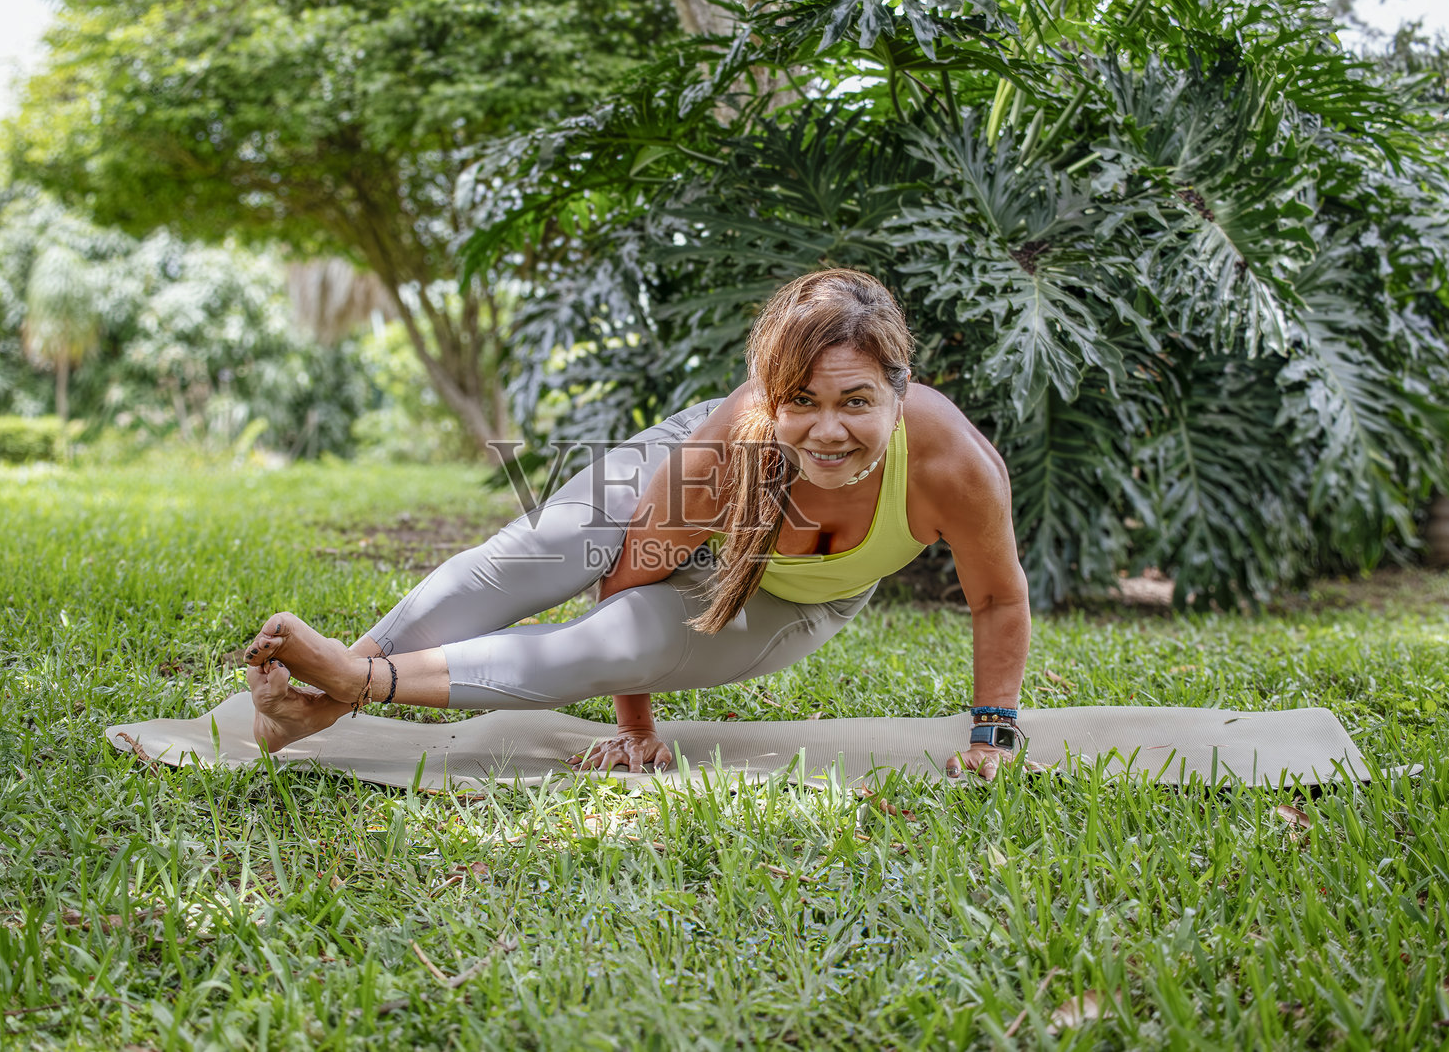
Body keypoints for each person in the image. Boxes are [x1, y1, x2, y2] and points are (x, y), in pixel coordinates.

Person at [243, 269, 1031, 779]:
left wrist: (992, 734)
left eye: (856, 401)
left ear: (900, 389)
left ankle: (348, 685)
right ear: (771, 398)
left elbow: (998, 600)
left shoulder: (952, 467)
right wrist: (636, 723)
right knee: (549, 546)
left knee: (612, 645)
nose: (828, 430)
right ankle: (341, 685)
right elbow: (633, 569)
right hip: (680, 476)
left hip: (801, 597)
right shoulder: (734, 438)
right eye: (802, 401)